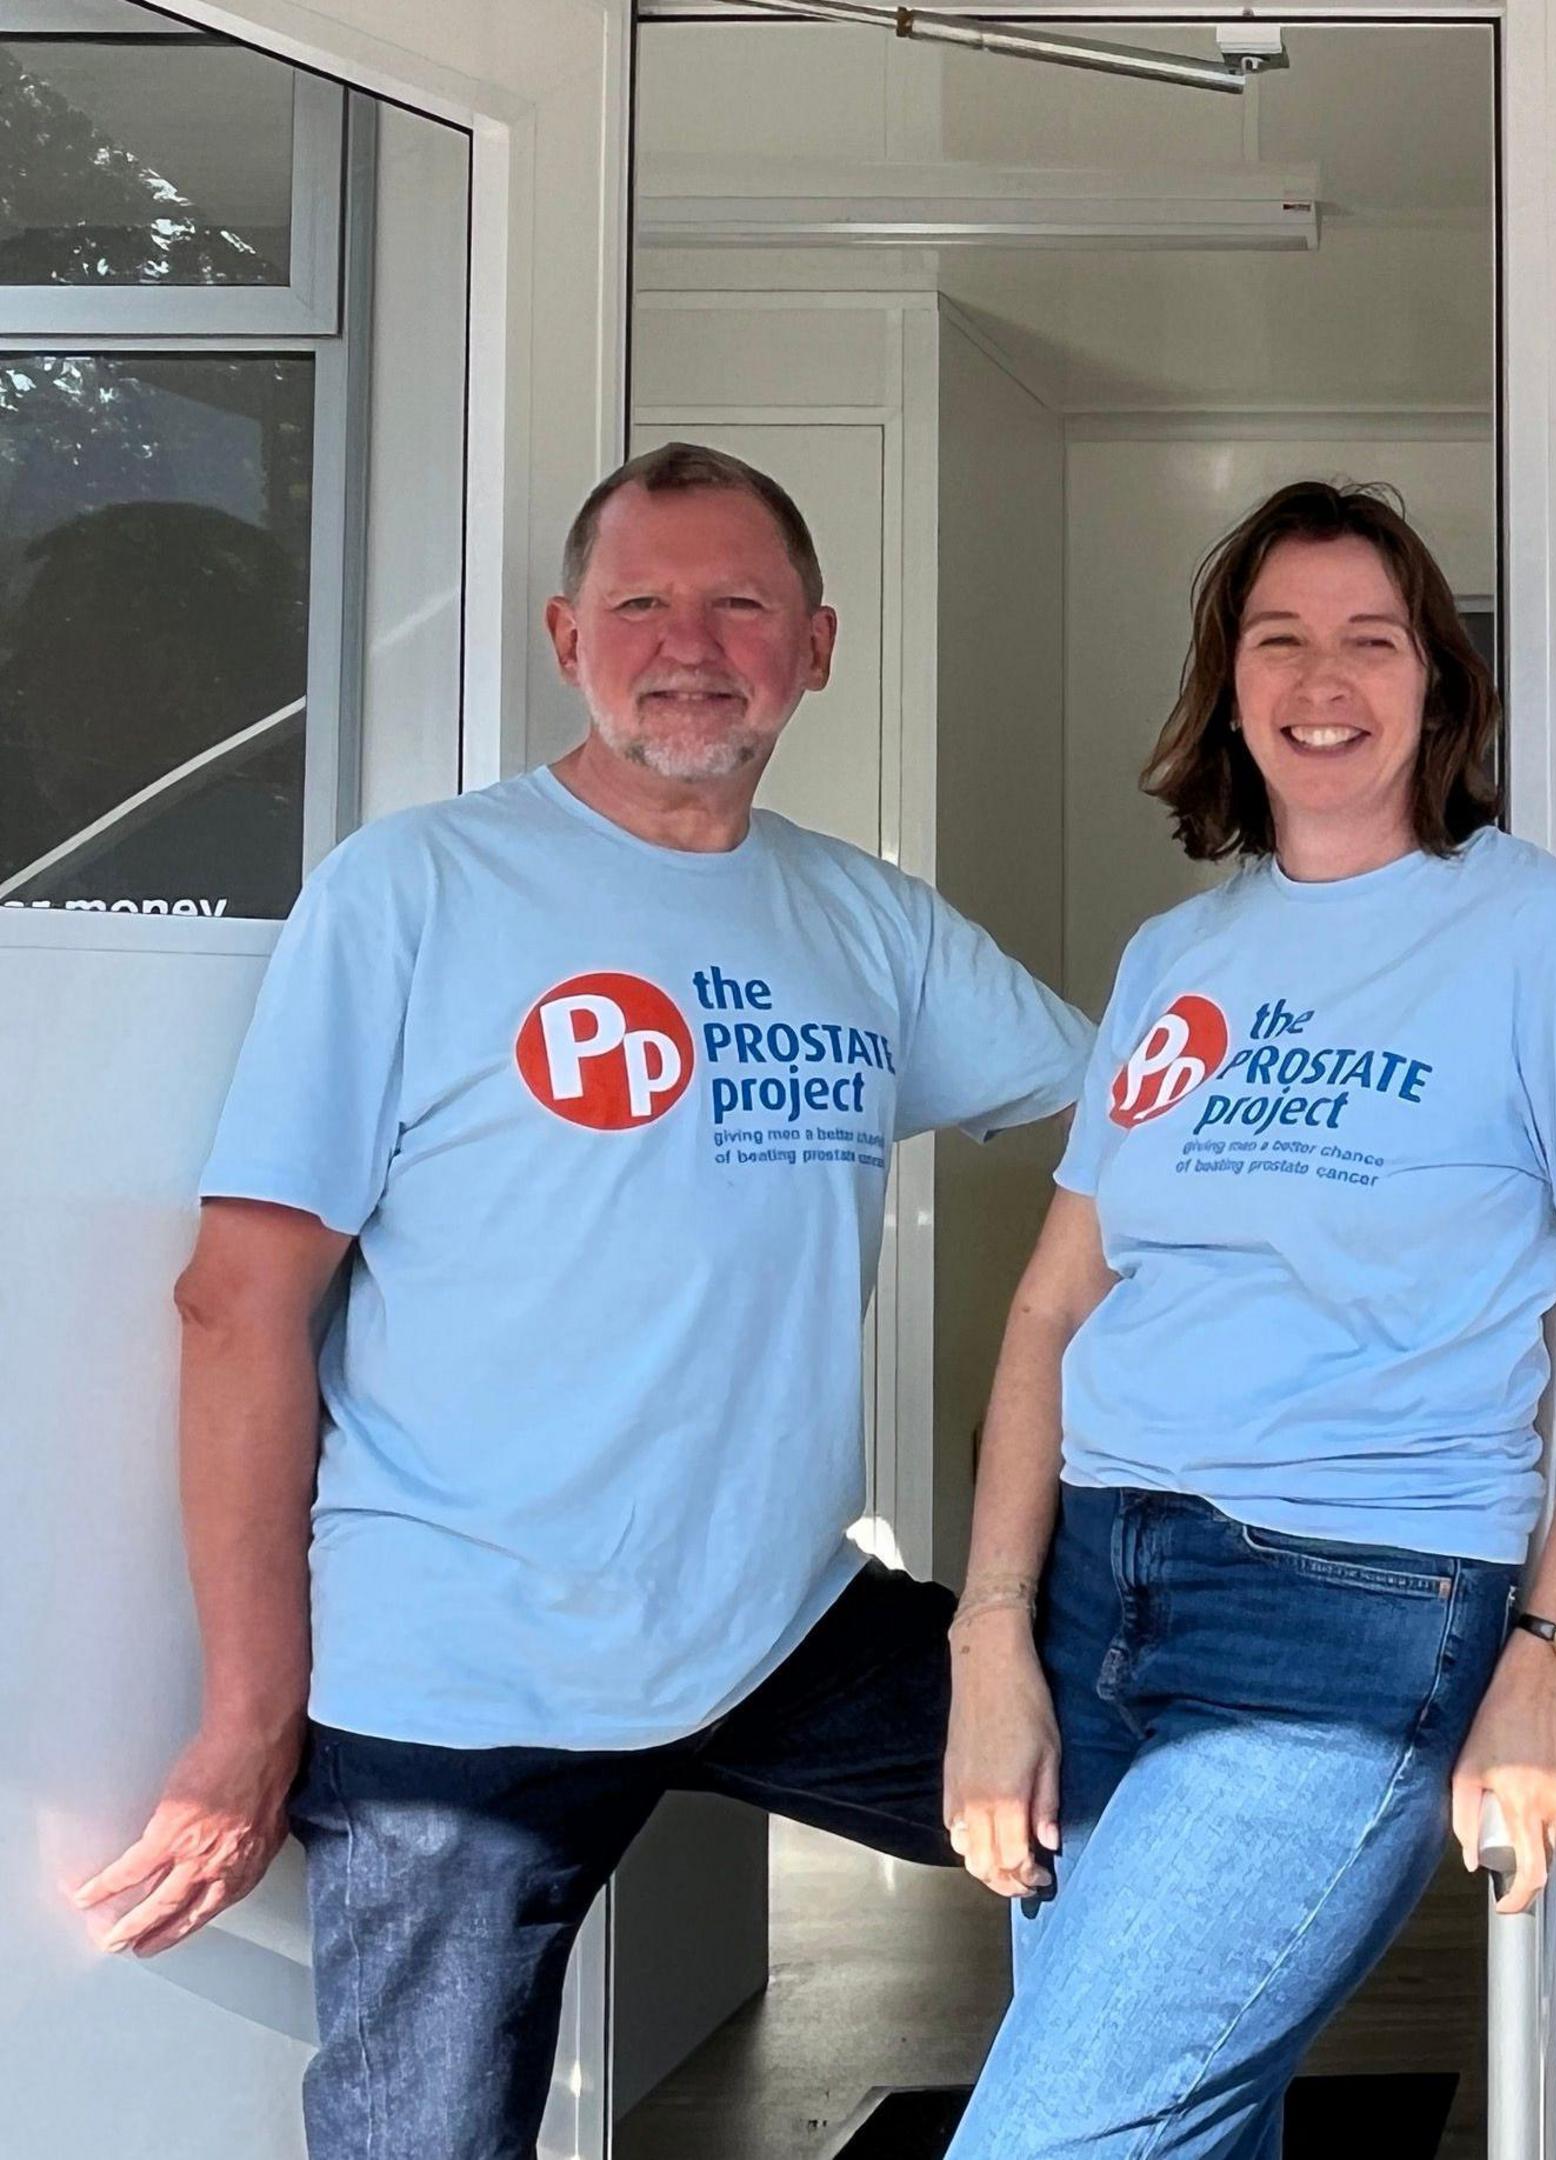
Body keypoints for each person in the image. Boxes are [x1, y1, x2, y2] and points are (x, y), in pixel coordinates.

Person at [68, 443, 1095, 2160]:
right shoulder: (417, 893)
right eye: (639, 602)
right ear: (567, 635)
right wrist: (249, 1724)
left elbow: (1153, 1106)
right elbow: (237, 1306)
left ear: (817, 644)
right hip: (458, 1677)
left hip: (780, 1629)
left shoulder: (866, 924)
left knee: (1154, 1797)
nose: (687, 643)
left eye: (739, 603)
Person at [939, 480, 1556, 2156]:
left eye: (1372, 639)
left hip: (1350, 1618)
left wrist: (1545, 1661)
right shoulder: (1175, 957)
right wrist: (990, 1637)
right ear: (1228, 685)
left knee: (1057, 2138)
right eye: (1279, 639)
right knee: (1190, 2129)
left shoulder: (1541, 937)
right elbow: (1056, 1306)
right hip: (1092, 1597)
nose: (1323, 678)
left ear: (1439, 683)